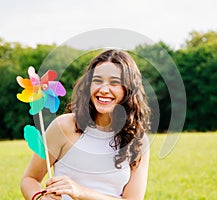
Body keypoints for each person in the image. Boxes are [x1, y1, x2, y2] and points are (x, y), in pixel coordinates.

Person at [21, 49, 151, 200]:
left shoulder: (138, 141)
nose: (103, 90)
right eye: (97, 80)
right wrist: (39, 198)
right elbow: (30, 179)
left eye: (114, 82)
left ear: (128, 89)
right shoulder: (64, 126)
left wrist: (80, 192)